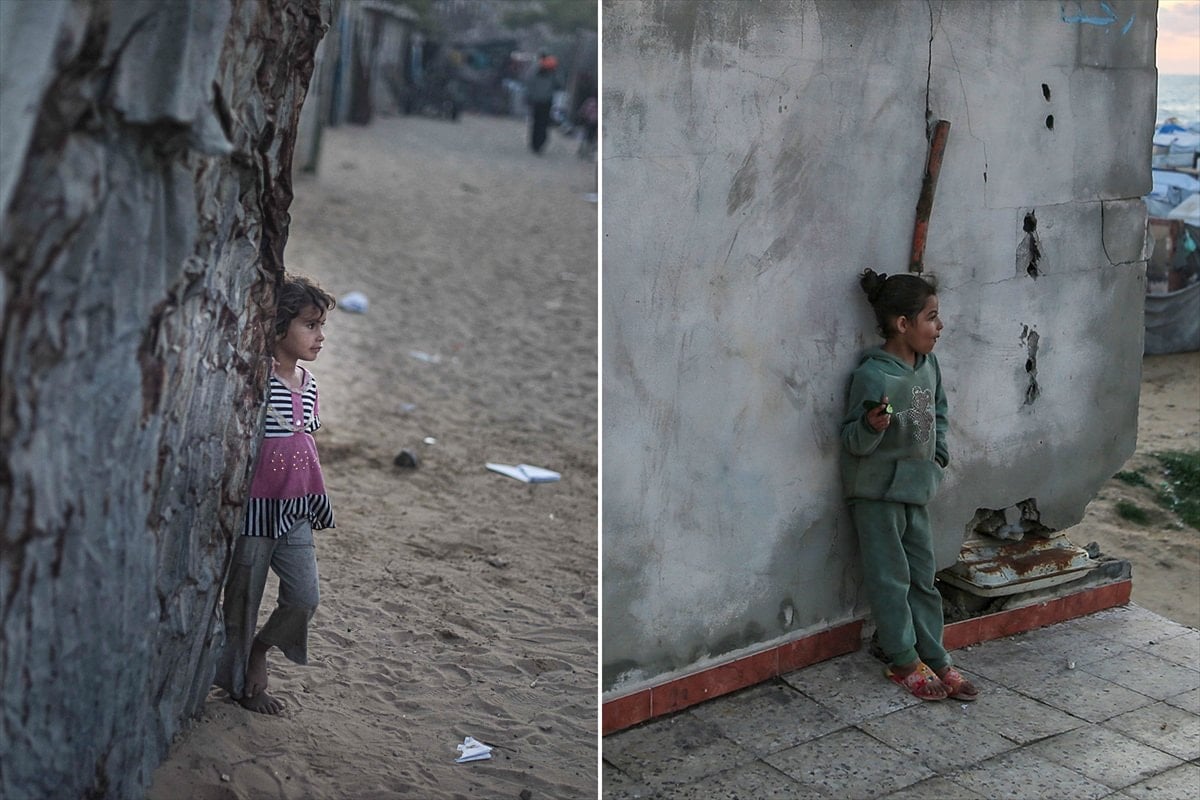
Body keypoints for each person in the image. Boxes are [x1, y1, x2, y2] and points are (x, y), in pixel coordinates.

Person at [839, 268, 978, 702]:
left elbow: (935, 415)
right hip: (877, 495)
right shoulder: (873, 376)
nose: (940, 327)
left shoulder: (927, 365)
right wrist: (871, 424)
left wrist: (938, 459)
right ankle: (902, 659)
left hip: (917, 490)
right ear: (903, 324)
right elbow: (852, 440)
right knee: (891, 578)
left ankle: (935, 657)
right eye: (931, 318)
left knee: (923, 577)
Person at [214, 275, 337, 714]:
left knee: (304, 597)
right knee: (242, 601)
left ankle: (261, 651)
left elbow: (302, 440)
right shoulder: (255, 380)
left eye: (321, 326)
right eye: (310, 325)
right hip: (255, 511)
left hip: (297, 507)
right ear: (279, 325)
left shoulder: (310, 383)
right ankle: (241, 684)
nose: (320, 336)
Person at [525, 54, 561, 154]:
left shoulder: (549, 75)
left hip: (543, 102)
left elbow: (559, 85)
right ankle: (537, 144)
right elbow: (529, 85)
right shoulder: (538, 74)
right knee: (540, 124)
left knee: (540, 124)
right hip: (541, 102)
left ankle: (537, 144)